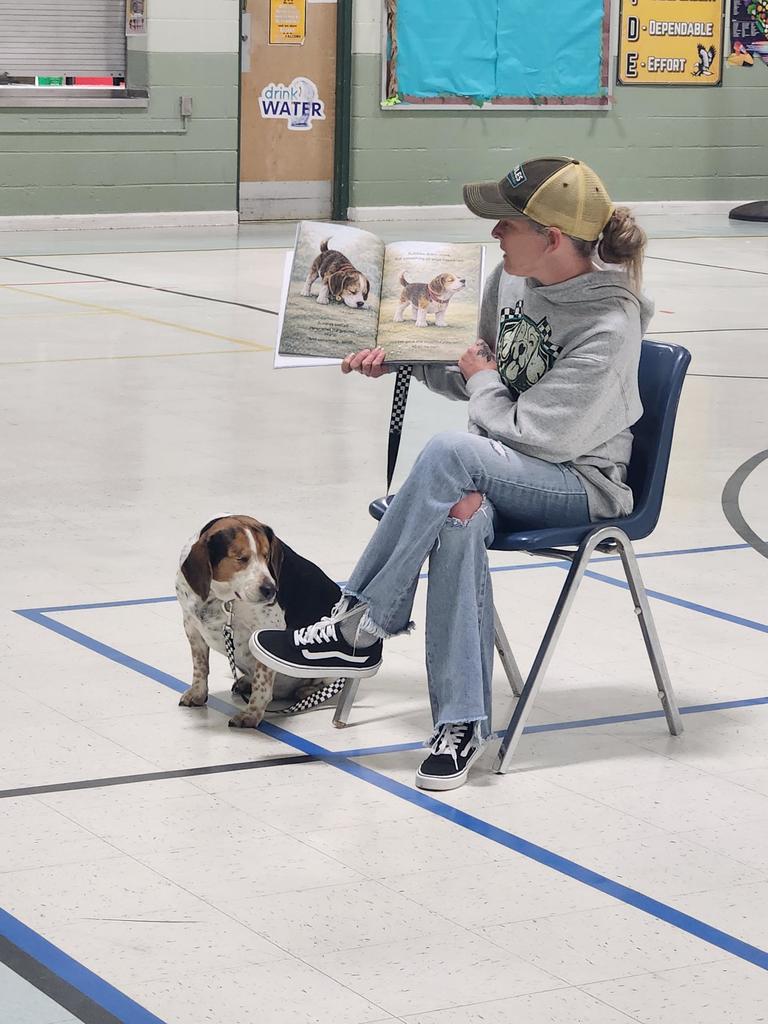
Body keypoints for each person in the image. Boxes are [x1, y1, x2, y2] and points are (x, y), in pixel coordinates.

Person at [250, 156, 651, 791]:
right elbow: (472, 374)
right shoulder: (511, 282)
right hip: (497, 471)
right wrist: (399, 359)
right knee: (460, 516)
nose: (493, 235)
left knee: (447, 453)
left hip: (579, 484)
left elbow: (538, 431)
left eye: (505, 224)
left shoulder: (610, 324)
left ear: (550, 237)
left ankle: (357, 622)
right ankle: (462, 725)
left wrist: (481, 378)